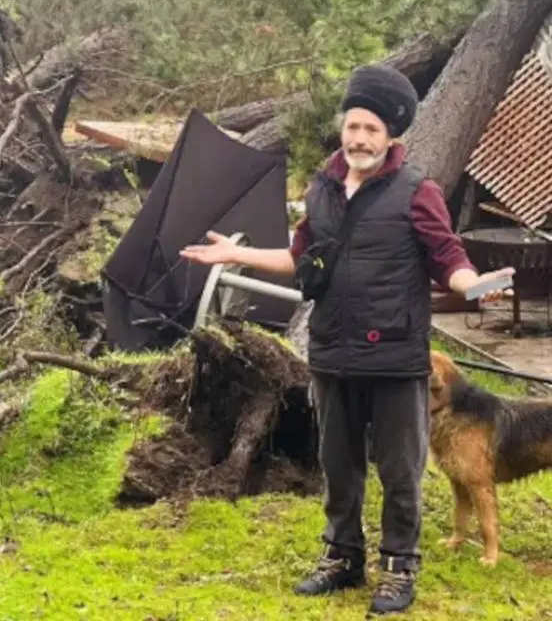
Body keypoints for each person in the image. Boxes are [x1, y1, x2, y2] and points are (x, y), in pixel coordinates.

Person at [179, 64, 513, 616]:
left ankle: (399, 567)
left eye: (371, 130)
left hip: (396, 358)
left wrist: (472, 284)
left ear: (390, 137)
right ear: (344, 128)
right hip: (333, 352)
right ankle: (342, 557)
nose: (359, 138)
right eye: (353, 127)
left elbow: (447, 256)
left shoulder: (416, 191)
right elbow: (300, 258)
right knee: (338, 465)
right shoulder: (323, 188)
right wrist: (235, 254)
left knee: (401, 469)